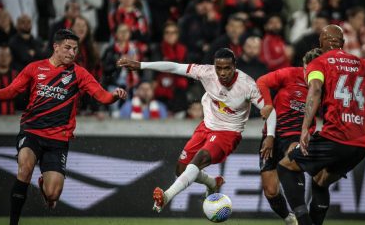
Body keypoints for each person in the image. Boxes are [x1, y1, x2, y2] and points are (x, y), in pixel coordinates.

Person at [0, 29, 127, 225]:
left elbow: (102, 96)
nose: (72, 53)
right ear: (55, 47)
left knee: (53, 195)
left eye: (75, 49)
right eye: (68, 48)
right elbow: (12, 90)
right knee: (25, 167)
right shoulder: (35, 68)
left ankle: (44, 184)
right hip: (32, 131)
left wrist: (115, 95)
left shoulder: (79, 73)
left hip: (58, 139)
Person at [117, 48, 279, 215]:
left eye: (227, 68)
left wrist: (270, 136)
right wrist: (141, 65)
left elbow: (270, 110)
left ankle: (166, 196)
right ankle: (212, 183)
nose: (222, 73)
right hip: (205, 127)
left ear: (234, 66)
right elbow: (175, 67)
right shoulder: (206, 72)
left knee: (199, 158)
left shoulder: (247, 85)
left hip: (228, 133)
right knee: (181, 170)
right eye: (219, 68)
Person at [276, 25, 365, 225]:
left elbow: (316, 89)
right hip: (362, 144)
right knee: (321, 181)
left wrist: (305, 128)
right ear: (343, 44)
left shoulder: (318, 63)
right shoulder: (362, 63)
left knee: (286, 167)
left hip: (336, 137)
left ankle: (303, 222)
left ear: (320, 44)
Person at [257, 48, 322, 225]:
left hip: (297, 136)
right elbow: (262, 82)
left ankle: (301, 214)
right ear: (304, 64)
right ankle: (289, 219)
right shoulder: (289, 74)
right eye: (309, 67)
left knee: (292, 159)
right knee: (270, 191)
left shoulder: (323, 87)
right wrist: (268, 105)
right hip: (272, 135)